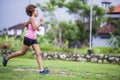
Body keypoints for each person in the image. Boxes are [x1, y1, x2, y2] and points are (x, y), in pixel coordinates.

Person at [2, 4, 50, 75]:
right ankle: (6, 58)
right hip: (28, 38)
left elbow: (27, 25)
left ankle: (41, 70)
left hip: (33, 39)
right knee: (22, 52)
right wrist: (40, 22)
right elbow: (33, 28)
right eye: (37, 11)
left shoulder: (32, 19)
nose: (38, 12)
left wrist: (37, 27)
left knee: (38, 53)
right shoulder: (32, 18)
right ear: (33, 11)